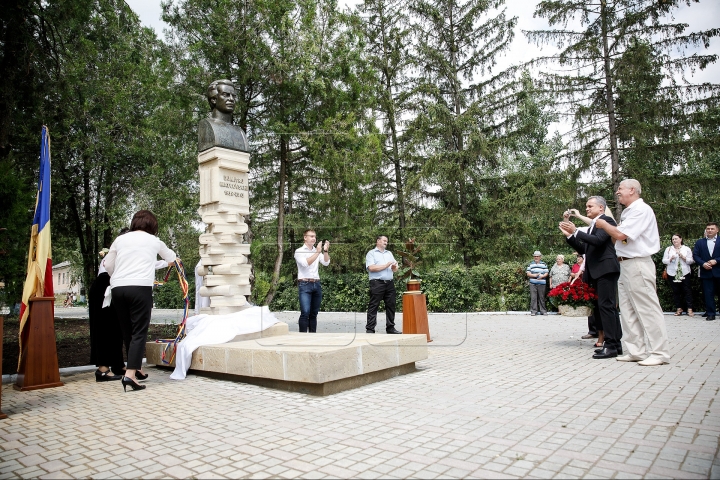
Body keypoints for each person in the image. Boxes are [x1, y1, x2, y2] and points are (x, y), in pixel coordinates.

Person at [595, 179, 670, 366]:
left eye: (620, 188)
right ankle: (636, 350)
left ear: (632, 190)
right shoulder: (630, 211)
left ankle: (659, 352)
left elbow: (620, 235)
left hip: (638, 263)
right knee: (628, 311)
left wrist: (603, 224)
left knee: (647, 309)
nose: (617, 192)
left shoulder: (641, 210)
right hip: (626, 264)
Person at [104, 210, 177, 391]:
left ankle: (135, 369)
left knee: (127, 331)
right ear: (152, 225)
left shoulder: (120, 239)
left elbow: (108, 264)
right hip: (140, 288)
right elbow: (171, 258)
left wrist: (116, 278)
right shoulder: (154, 241)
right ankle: (129, 375)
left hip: (118, 288)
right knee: (139, 332)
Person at [560, 196, 622, 359]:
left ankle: (611, 345)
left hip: (606, 269)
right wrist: (570, 236)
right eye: (586, 206)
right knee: (605, 308)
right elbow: (585, 248)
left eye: (590, 206)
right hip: (597, 271)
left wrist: (576, 231)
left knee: (607, 307)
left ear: (601, 208)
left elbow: (599, 241)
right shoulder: (594, 224)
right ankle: (615, 343)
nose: (586, 209)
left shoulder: (607, 221)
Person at [88, 247, 124, 382]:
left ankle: (118, 364)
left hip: (113, 286)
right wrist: (166, 262)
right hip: (104, 288)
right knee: (103, 329)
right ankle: (102, 369)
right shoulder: (117, 253)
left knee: (117, 329)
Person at [293, 229, 330, 332]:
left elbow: (326, 262)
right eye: (311, 236)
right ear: (305, 237)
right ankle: (303, 336)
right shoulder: (299, 251)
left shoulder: (316, 251)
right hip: (304, 284)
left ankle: (313, 335)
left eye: (315, 236)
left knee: (314, 313)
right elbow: (305, 263)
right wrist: (318, 252)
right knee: (305, 312)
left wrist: (325, 251)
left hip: (316, 283)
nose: (314, 238)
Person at [365, 235, 401, 334]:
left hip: (389, 283)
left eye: (387, 241)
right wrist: (386, 266)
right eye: (384, 240)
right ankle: (370, 329)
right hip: (377, 283)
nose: (386, 242)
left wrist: (394, 267)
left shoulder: (389, 253)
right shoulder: (371, 253)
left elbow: (395, 268)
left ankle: (390, 328)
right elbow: (371, 268)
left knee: (391, 305)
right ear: (378, 241)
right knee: (374, 305)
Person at [692, 222, 720, 321]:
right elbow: (695, 255)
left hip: (719, 271)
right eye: (708, 228)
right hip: (706, 272)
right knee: (708, 294)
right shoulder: (700, 242)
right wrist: (703, 263)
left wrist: (716, 260)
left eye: (712, 228)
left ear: (717, 230)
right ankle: (711, 313)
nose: (710, 230)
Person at [663, 234, 695, 317]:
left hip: (684, 272)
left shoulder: (686, 249)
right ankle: (679, 308)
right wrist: (670, 259)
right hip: (672, 272)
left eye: (676, 239)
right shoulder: (669, 249)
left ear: (681, 239)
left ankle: (689, 308)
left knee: (687, 290)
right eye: (673, 239)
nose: (674, 240)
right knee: (676, 291)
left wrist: (683, 257)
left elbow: (691, 261)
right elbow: (664, 261)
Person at [526, 251, 549, 315]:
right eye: (535, 256)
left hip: (542, 283)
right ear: (533, 257)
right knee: (533, 298)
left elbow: (546, 273)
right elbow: (528, 273)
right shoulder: (530, 264)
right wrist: (534, 275)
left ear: (540, 257)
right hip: (533, 284)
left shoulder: (544, 264)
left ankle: (543, 311)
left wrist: (542, 276)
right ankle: (533, 311)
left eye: (537, 256)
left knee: (541, 297)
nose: (536, 257)